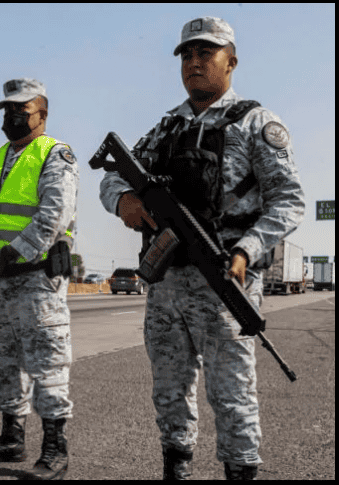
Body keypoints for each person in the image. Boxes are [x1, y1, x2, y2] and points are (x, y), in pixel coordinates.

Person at [99, 17, 305, 480]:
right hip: (167, 283)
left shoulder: (256, 123)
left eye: (205, 53)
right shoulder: (166, 127)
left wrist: (247, 249)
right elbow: (114, 172)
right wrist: (123, 201)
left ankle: (240, 472)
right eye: (186, 55)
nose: (194, 62)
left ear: (230, 62)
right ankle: (177, 466)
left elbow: (290, 201)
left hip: (224, 281)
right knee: (169, 390)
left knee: (232, 395)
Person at [0, 78, 79, 480]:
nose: (12, 118)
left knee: (48, 366)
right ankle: (12, 438)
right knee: (3, 362)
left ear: (42, 115)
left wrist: (6, 256)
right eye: (6, 112)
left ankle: (54, 450)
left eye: (21, 111)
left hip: (36, 280)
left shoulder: (55, 155)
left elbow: (53, 216)